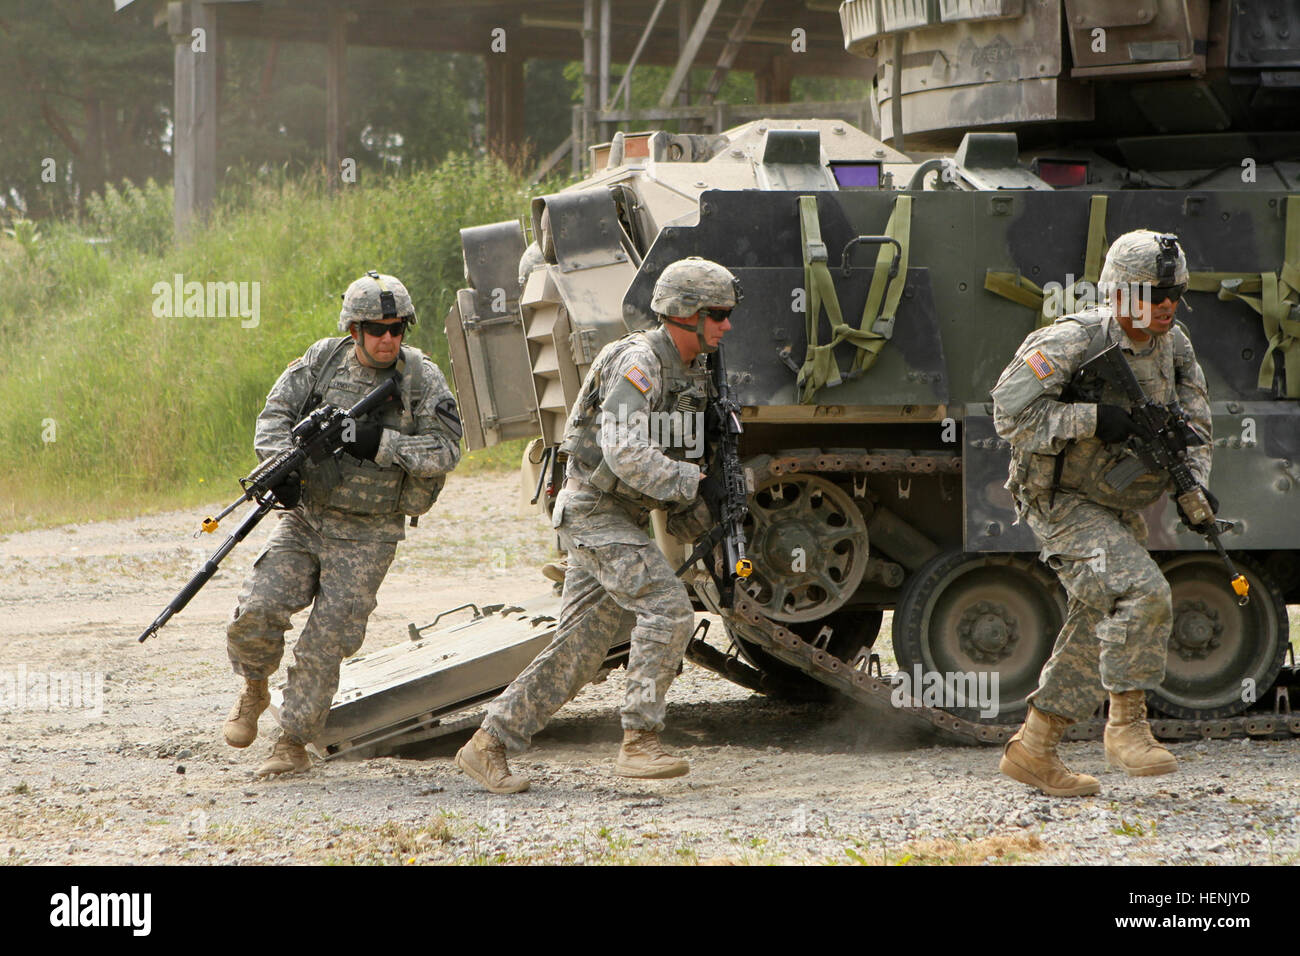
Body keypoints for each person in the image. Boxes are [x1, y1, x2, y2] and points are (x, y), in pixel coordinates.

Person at [455, 257, 740, 793]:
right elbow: (625, 452)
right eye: (718, 313)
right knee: (668, 610)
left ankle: (488, 743)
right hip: (593, 512)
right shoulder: (638, 364)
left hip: (620, 516)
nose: (727, 325)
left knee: (581, 649)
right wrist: (687, 480)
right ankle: (640, 742)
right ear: (685, 315)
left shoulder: (694, 369)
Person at [990, 230, 1214, 797]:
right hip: (1061, 499)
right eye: (1154, 293)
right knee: (1142, 594)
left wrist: (1197, 495)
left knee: (1099, 621)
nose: (1167, 305)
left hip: (1117, 502)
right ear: (1119, 292)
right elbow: (1007, 416)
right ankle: (1126, 727)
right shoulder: (1073, 341)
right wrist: (1091, 420)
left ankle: (1035, 748)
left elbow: (1196, 428)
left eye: (1176, 293)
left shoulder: (1175, 345)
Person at [223, 271, 463, 777]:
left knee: (326, 642)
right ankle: (254, 687)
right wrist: (280, 467)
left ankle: (291, 741)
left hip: (369, 533)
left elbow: (447, 450)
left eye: (397, 329)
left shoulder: (422, 379)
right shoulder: (321, 361)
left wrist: (380, 444)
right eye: (376, 330)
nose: (388, 340)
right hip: (306, 518)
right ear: (354, 330)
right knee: (257, 610)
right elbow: (273, 417)